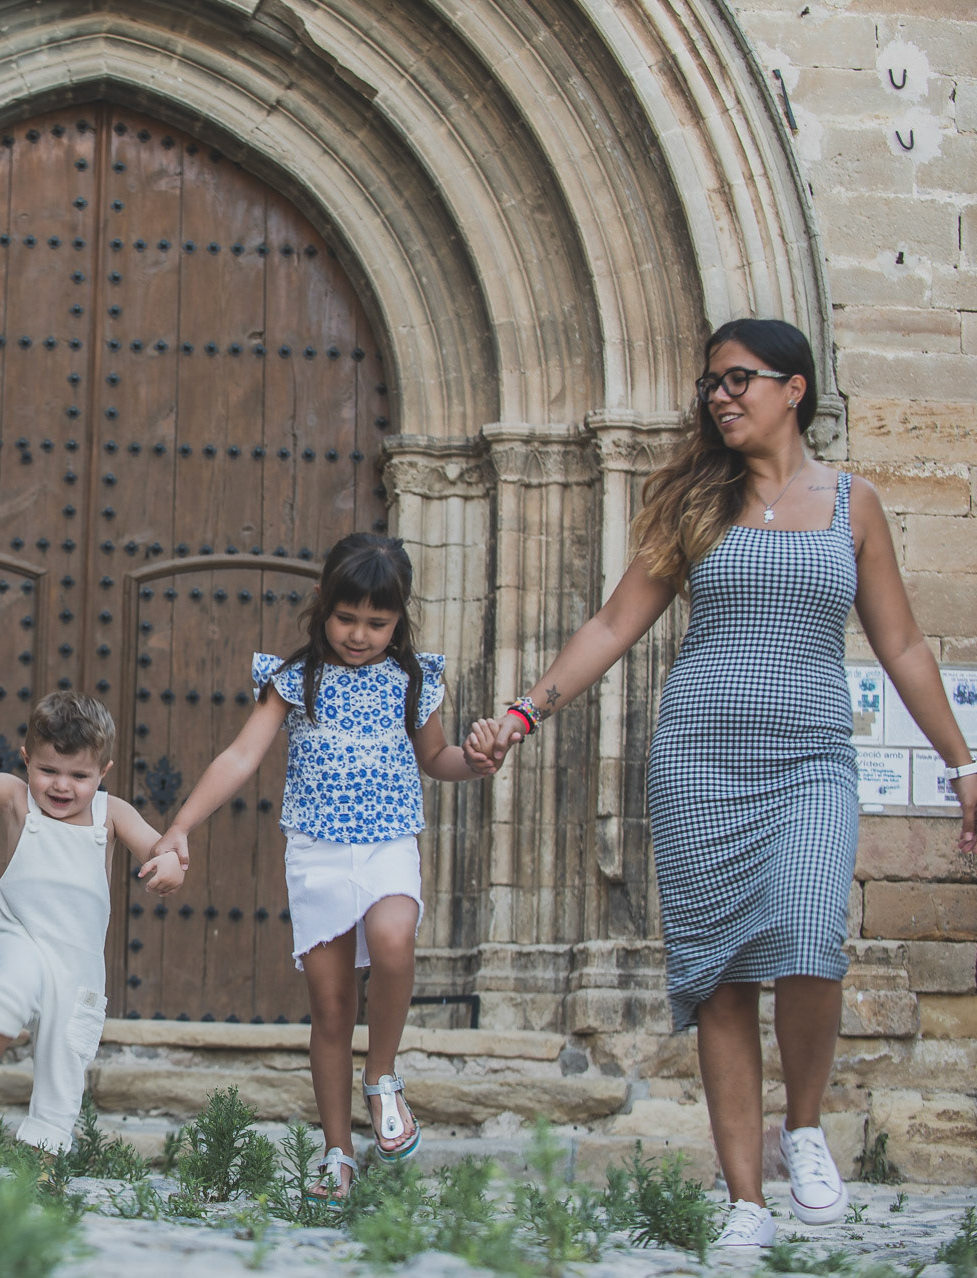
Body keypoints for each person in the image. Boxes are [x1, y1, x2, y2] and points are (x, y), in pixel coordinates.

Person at [469, 318, 977, 1248]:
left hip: (812, 759)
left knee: (813, 937)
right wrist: (523, 713)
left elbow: (902, 644)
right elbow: (613, 624)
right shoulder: (697, 503)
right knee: (722, 978)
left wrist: (964, 763)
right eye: (711, 383)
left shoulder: (853, 504)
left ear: (794, 388)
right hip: (700, 763)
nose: (720, 396)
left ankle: (805, 1127)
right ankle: (745, 1202)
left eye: (738, 379)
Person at [148, 534, 501, 1200]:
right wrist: (180, 826)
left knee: (395, 940)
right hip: (317, 851)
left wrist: (476, 761)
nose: (359, 635)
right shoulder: (295, 679)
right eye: (346, 618)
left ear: (398, 618)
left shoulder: (414, 680)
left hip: (389, 839)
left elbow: (437, 758)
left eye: (377, 622)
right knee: (333, 1010)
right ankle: (337, 1153)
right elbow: (240, 757)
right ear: (321, 602)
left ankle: (383, 1075)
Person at [0, 691, 184, 1153]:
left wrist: (169, 862)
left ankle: (44, 1151)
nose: (62, 786)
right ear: (27, 761)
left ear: (103, 773)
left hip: (79, 965)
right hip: (22, 937)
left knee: (66, 1057)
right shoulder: (17, 799)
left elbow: (157, 846)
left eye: (79, 776)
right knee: (8, 992)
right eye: (48, 770)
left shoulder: (112, 813)